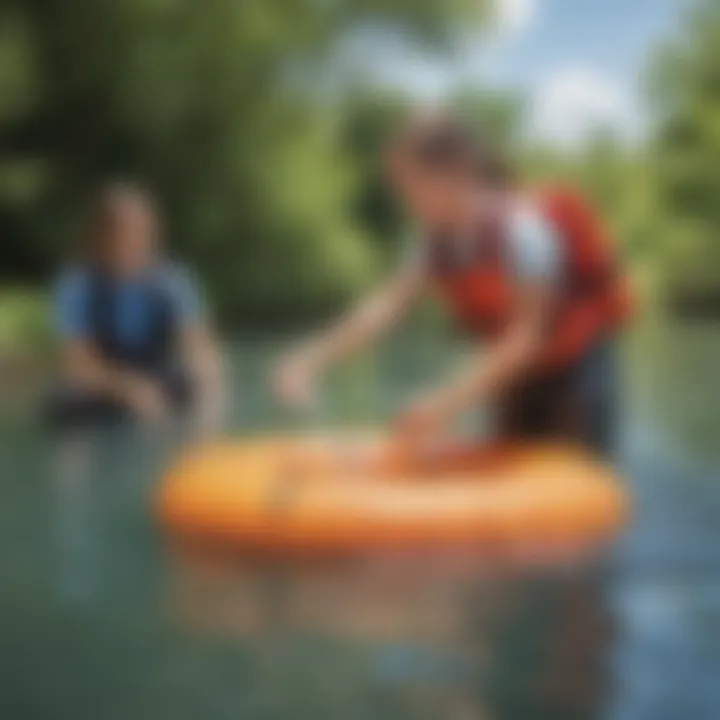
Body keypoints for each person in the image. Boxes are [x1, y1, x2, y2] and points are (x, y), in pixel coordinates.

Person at [274, 115, 633, 457]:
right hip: (516, 382)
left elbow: (526, 337)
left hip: (574, 376)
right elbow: (383, 309)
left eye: (409, 186)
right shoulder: (433, 244)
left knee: (576, 497)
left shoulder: (524, 231)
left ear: (455, 173)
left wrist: (445, 405)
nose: (404, 200)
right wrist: (311, 358)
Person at [48, 182, 223, 432]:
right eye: (122, 233)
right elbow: (79, 363)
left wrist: (209, 405)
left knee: (193, 386)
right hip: (103, 388)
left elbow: (201, 351)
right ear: (100, 237)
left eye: (140, 232)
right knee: (67, 400)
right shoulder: (77, 284)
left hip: (157, 380)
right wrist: (130, 389)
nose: (132, 241)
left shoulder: (172, 281)